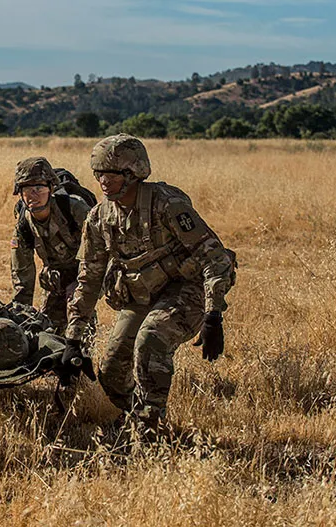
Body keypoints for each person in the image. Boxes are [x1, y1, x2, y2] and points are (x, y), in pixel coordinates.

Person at [62, 134, 236, 431]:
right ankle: (137, 412)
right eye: (99, 174)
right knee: (113, 372)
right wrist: (73, 339)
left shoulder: (168, 204)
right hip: (141, 296)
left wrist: (213, 314)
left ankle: (149, 428)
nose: (103, 181)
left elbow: (214, 258)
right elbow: (89, 278)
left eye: (112, 174)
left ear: (133, 174)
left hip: (187, 289)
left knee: (151, 338)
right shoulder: (98, 218)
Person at [10, 157, 93, 335]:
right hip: (55, 278)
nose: (33, 195)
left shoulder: (74, 208)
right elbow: (22, 275)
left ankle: (85, 354)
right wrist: (20, 315)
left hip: (88, 271)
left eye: (39, 188)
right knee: (47, 330)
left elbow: (101, 249)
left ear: (51, 188)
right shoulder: (24, 225)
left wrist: (82, 284)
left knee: (78, 319)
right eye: (26, 189)